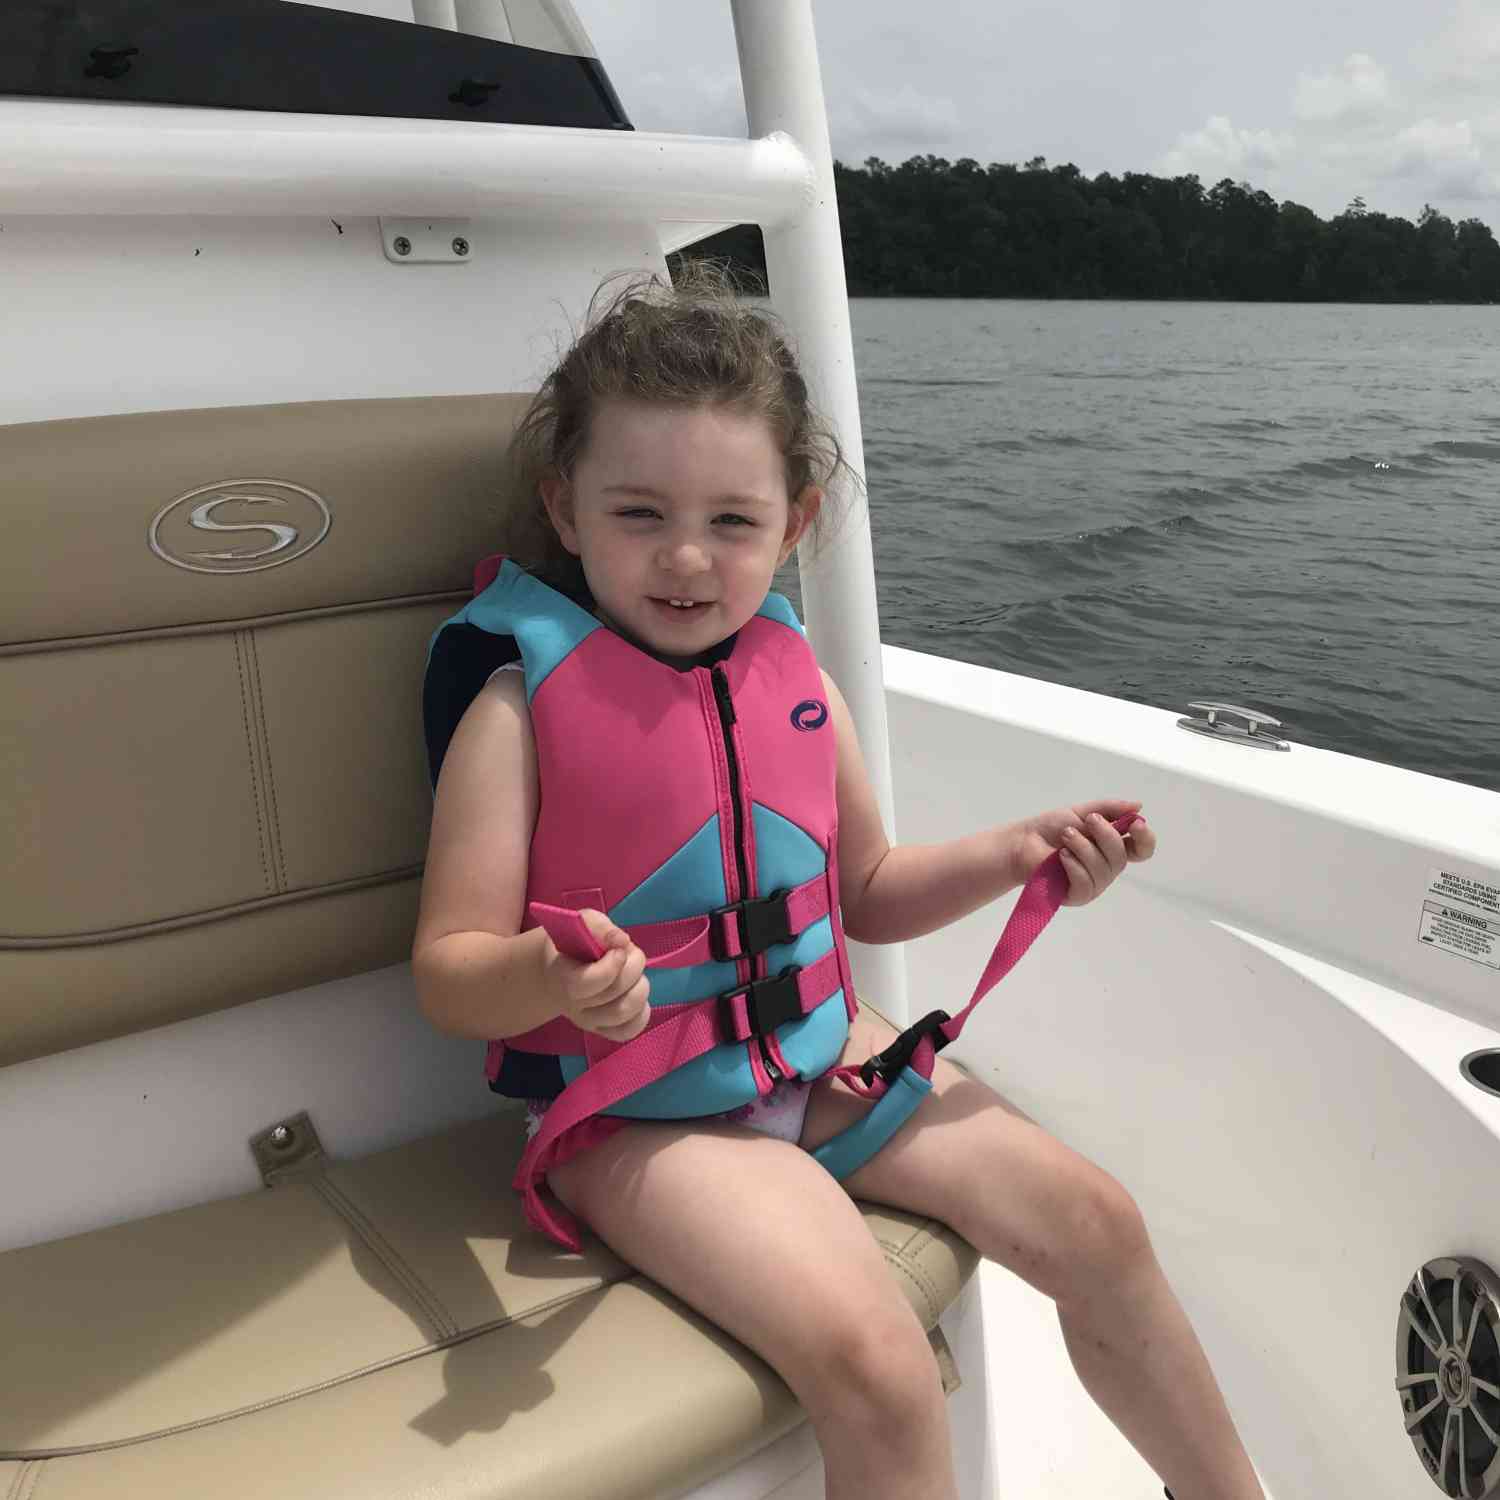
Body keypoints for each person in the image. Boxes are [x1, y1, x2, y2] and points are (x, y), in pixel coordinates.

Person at [412, 264, 1264, 1500]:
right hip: (638, 1115)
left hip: (817, 1060)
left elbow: (864, 887)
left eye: (735, 522)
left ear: (796, 524)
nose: (688, 558)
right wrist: (546, 975)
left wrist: (1019, 853)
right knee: (880, 1364)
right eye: (639, 514)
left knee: (1101, 1224)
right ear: (565, 502)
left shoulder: (788, 671)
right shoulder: (517, 710)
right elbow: (448, 975)